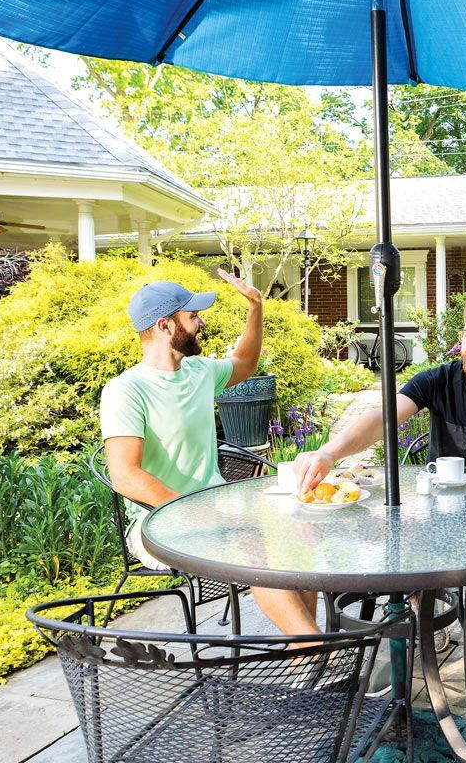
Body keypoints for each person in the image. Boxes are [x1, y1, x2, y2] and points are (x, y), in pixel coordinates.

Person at [294, 294, 466, 650]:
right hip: (441, 505)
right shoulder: (438, 379)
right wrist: (329, 453)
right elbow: (382, 418)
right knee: (396, 527)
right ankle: (425, 608)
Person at [100, 272, 321, 636]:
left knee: (300, 532)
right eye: (193, 316)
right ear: (165, 325)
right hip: (157, 522)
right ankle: (317, 649)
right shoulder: (126, 390)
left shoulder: (198, 371)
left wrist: (256, 307)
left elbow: (246, 363)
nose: (201, 323)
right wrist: (191, 512)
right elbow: (125, 475)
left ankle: (304, 653)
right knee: (254, 547)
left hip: (218, 509)